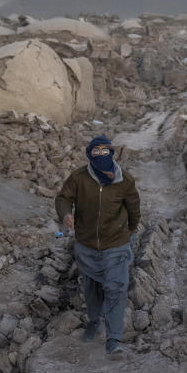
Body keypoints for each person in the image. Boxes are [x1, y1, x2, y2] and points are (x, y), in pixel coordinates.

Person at [55, 135, 141, 356]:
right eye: (96, 152)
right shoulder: (79, 178)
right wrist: (66, 215)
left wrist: (128, 232)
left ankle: (113, 339)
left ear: (111, 154)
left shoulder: (125, 181)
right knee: (92, 287)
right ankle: (93, 320)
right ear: (89, 154)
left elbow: (134, 209)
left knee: (116, 286)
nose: (101, 156)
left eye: (105, 152)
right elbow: (63, 198)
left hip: (116, 244)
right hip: (87, 245)